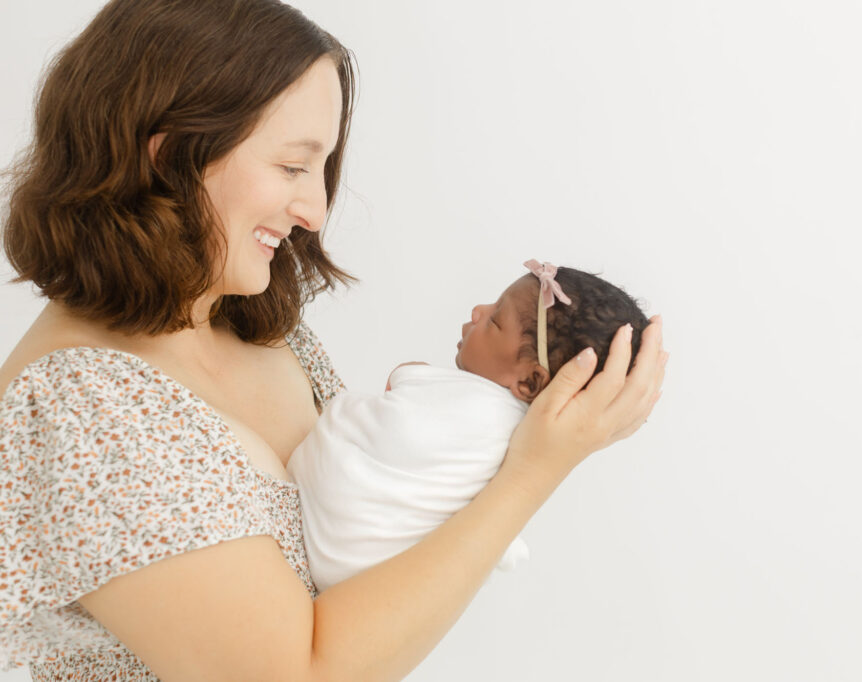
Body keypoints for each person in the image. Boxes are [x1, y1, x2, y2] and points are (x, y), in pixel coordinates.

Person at [0, 0, 667, 680]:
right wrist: (534, 470)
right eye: (292, 167)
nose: (316, 210)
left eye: (322, 170)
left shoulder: (254, 322)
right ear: (171, 152)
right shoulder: (82, 408)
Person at [290, 260, 650, 590]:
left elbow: (399, 389)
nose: (478, 311)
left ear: (529, 383)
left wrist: (411, 370)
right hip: (363, 577)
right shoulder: (526, 444)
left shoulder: (464, 399)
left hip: (316, 527)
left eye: (495, 320)